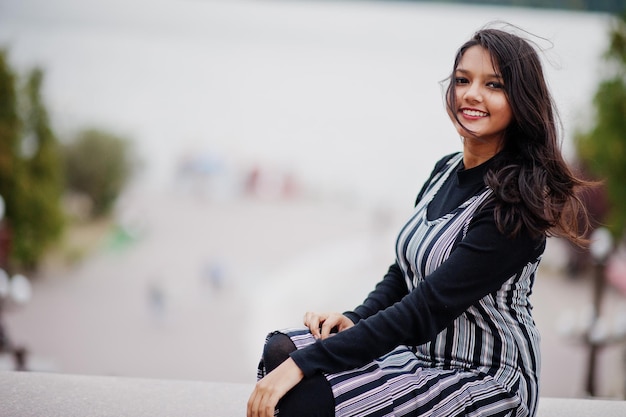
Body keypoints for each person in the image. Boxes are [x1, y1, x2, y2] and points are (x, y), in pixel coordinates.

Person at [247, 24, 591, 417]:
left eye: (494, 85)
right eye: (463, 80)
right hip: (421, 356)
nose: (472, 94)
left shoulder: (512, 205)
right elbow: (402, 273)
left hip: (486, 378)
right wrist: (355, 318)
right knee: (281, 349)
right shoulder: (444, 170)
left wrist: (307, 363)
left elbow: (424, 309)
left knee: (302, 393)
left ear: (520, 100)